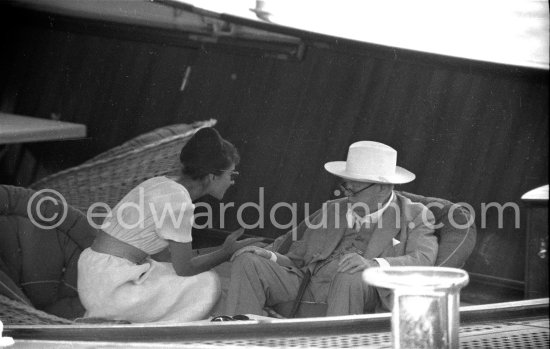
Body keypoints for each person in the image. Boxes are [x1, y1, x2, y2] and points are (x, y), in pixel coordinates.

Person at [225, 141, 438, 316]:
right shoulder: (332, 209)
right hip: (307, 284)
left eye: (355, 190)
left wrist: (372, 263)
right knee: (248, 262)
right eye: (346, 186)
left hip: (361, 290)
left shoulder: (415, 214)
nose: (347, 194)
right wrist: (267, 255)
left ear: (382, 189)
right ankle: (240, 340)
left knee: (349, 275)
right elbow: (297, 260)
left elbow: (423, 259)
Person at [77, 127, 263, 323]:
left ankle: (122, 319)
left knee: (172, 273)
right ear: (212, 176)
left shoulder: (160, 183)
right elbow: (185, 268)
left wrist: (224, 248)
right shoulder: (180, 203)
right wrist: (225, 252)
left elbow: (171, 258)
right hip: (112, 287)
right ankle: (155, 332)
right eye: (231, 174)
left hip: (96, 274)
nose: (232, 182)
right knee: (207, 282)